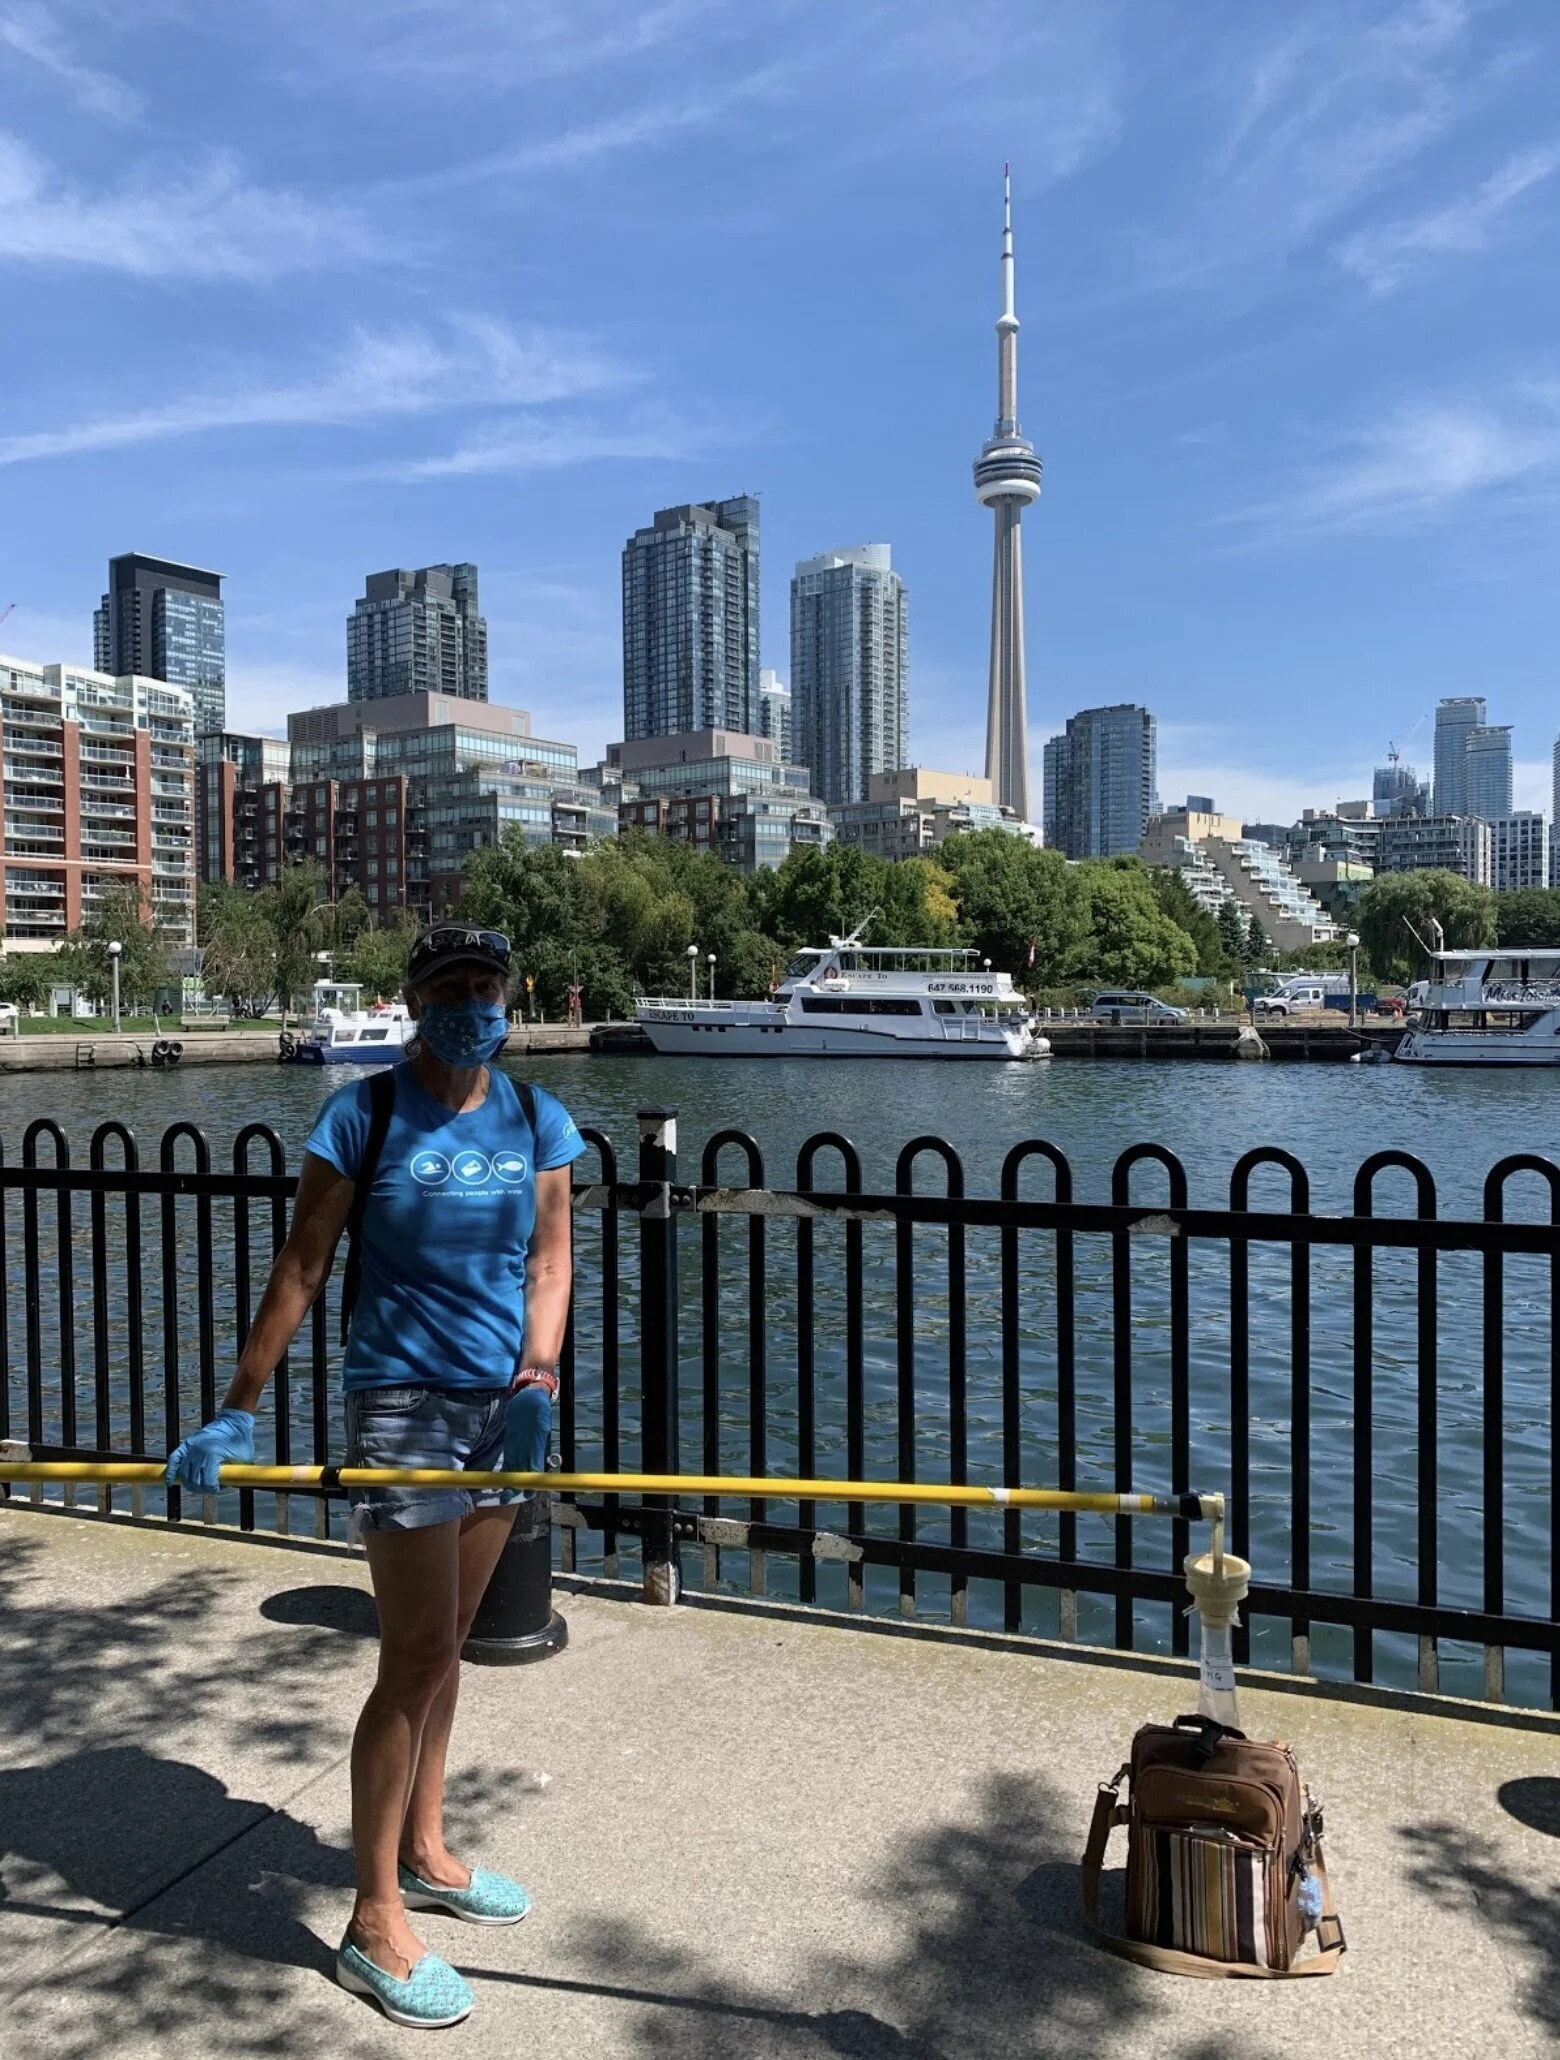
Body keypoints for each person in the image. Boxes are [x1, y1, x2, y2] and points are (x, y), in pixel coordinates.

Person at [165, 924, 586, 2029]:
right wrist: (235, 1408)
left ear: (510, 993)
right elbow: (303, 1262)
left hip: (506, 1407)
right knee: (409, 1655)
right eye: (450, 985)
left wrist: (540, 1375)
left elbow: (551, 1257)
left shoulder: (540, 1116)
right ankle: (373, 1915)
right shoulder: (366, 1111)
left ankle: (428, 1846)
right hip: (400, 1403)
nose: (472, 1000)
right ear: (414, 1000)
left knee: (450, 1641)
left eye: (487, 983)